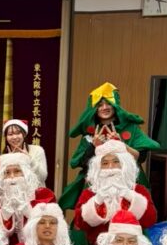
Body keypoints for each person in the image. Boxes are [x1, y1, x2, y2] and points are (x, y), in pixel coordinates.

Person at [59, 81, 159, 212]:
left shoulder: (131, 128)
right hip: (97, 187)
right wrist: (93, 146)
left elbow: (141, 158)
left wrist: (122, 145)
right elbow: (82, 164)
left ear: (115, 106)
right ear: (94, 109)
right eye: (100, 105)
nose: (104, 107)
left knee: (130, 217)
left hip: (127, 185)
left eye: (108, 104)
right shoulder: (89, 133)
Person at [73, 140, 156, 245]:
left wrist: (130, 196)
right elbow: (80, 223)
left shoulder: (139, 190)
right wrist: (97, 201)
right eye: (105, 163)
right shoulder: (90, 193)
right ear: (98, 168)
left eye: (116, 162)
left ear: (125, 164)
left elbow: (150, 220)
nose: (110, 167)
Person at [0, 152, 56, 243]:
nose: (12, 177)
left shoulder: (44, 195)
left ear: (26, 174)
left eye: (17, 171)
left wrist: (28, 211)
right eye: (7, 173)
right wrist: (5, 215)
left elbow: (50, 225)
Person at [1, 119, 47, 186]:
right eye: (10, 134)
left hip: (36, 191)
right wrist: (10, 160)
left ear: (24, 134)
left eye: (18, 133)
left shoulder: (37, 150)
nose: (14, 137)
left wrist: (29, 159)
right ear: (6, 137)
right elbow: (2, 182)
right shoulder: (4, 157)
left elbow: (42, 177)